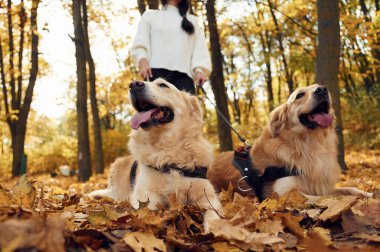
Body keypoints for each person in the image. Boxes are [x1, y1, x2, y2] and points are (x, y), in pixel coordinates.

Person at [130, 0, 211, 94]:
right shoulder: (150, 16)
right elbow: (141, 41)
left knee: (187, 109)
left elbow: (199, 49)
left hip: (184, 78)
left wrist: (199, 70)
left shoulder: (192, 21)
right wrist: (142, 60)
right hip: (155, 75)